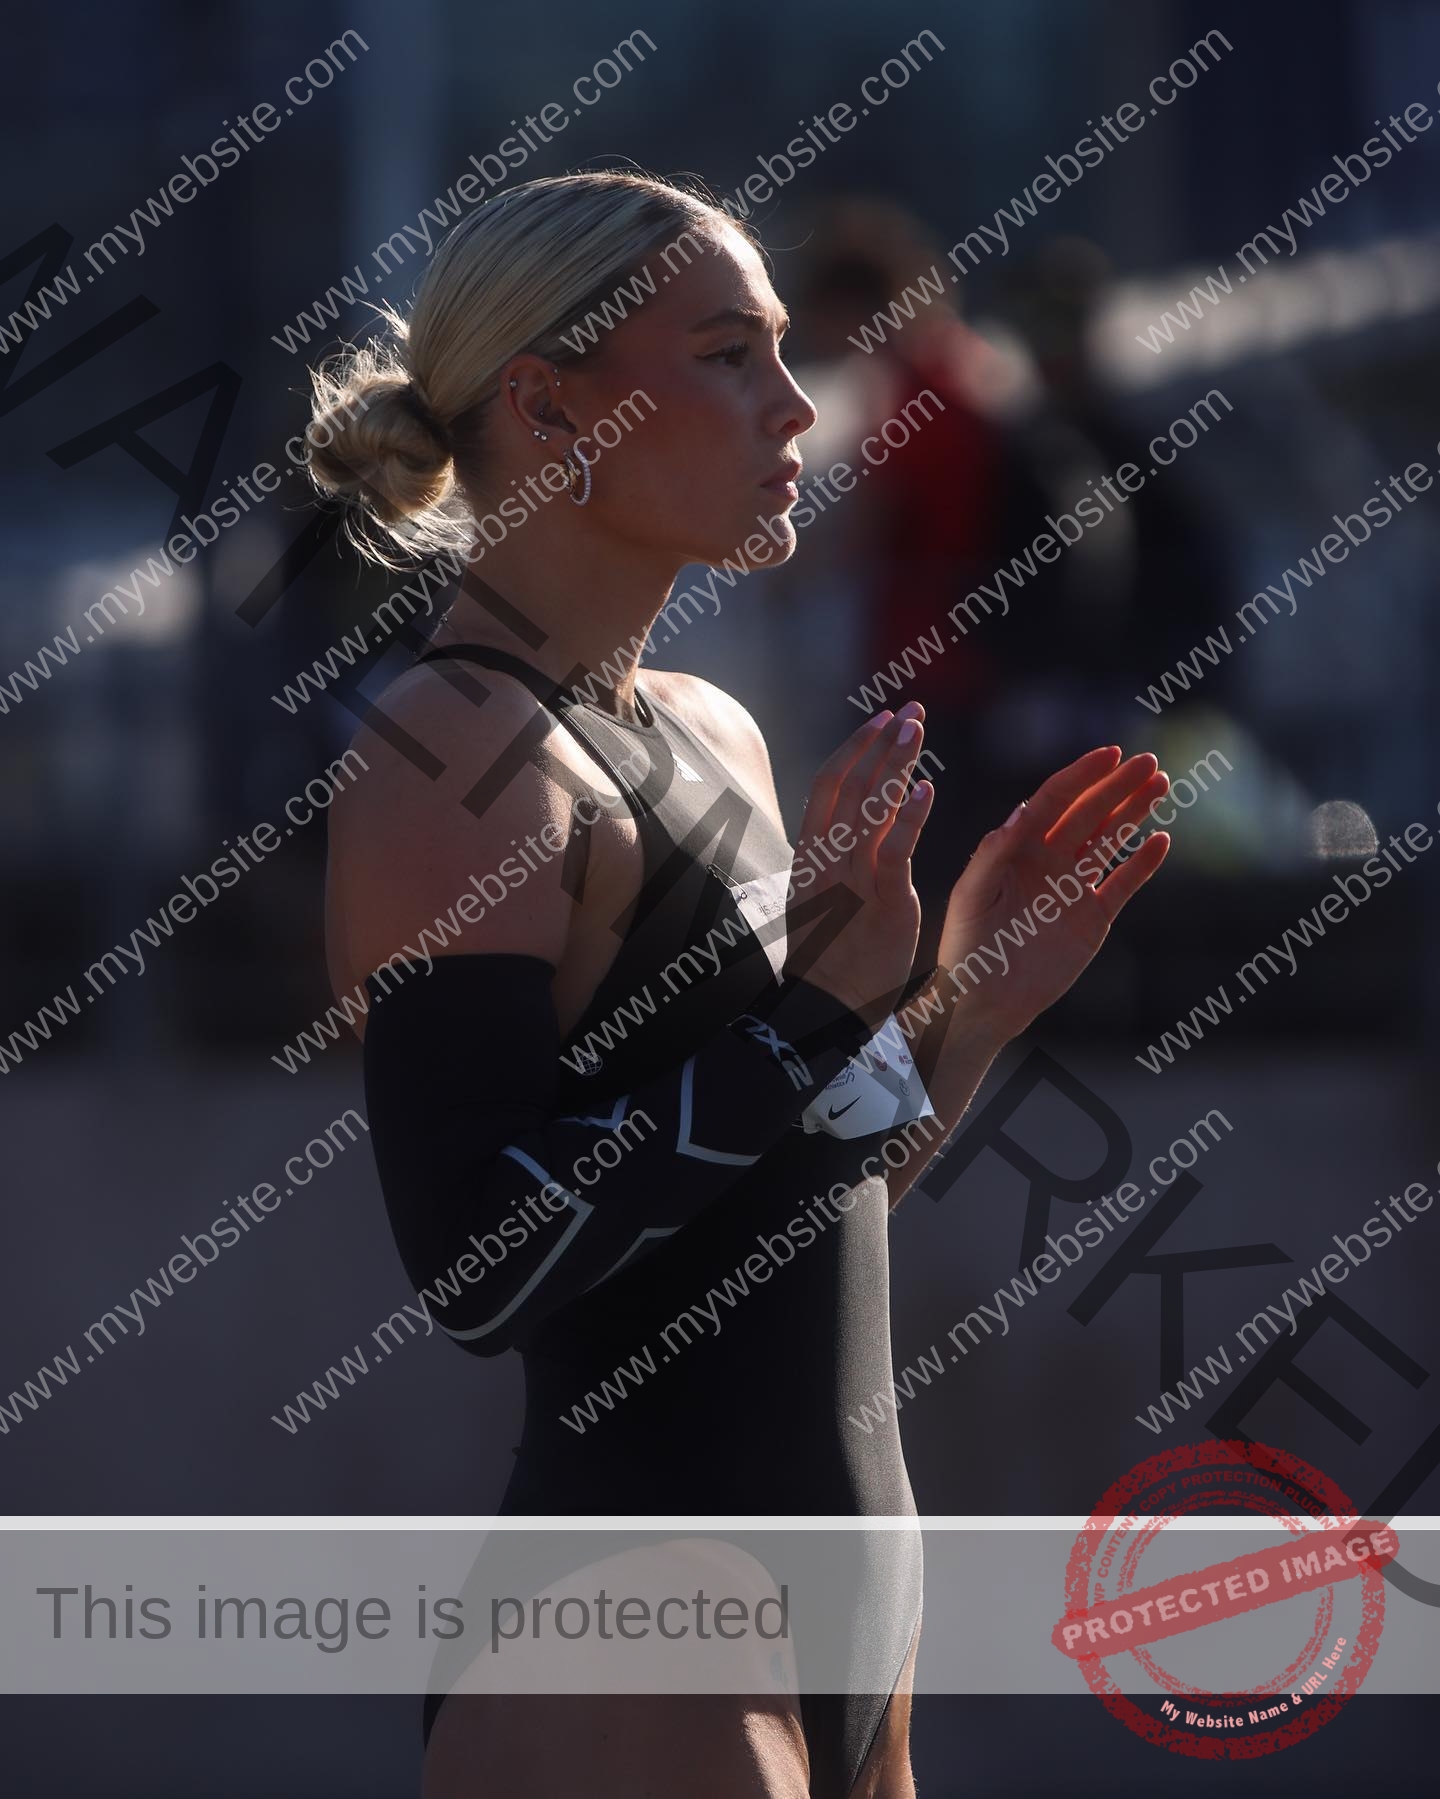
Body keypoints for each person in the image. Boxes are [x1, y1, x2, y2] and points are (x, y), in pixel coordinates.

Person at [303, 171, 1171, 1799]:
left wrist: (964, 1005)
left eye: (788, 349)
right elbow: (485, 1269)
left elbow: (777, 1200)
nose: (797, 402)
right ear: (552, 405)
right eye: (727, 356)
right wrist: (818, 1019)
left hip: (856, 1637)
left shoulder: (713, 728)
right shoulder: (455, 757)